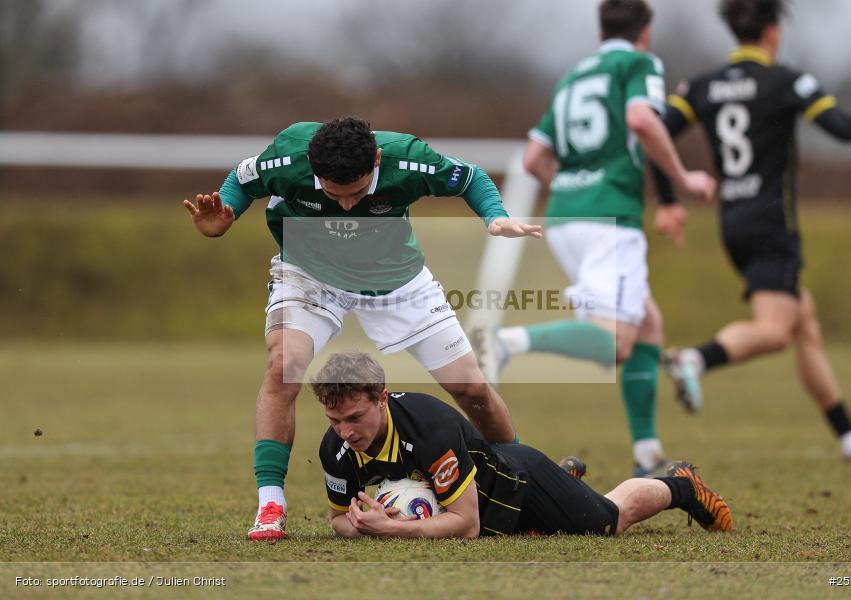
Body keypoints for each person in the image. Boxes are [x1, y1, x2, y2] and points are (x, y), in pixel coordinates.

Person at [182, 117, 542, 540]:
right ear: (313, 170)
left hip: (395, 279)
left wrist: (494, 218)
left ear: (376, 159)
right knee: (283, 365)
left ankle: (528, 484)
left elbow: (470, 178)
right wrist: (224, 214)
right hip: (308, 273)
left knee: (472, 388)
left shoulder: (410, 159)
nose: (348, 205)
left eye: (356, 193)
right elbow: (241, 183)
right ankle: (270, 505)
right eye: (336, 195)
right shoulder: (287, 156)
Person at [474, 0, 716, 477]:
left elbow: (532, 159)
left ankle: (648, 453)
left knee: (646, 322)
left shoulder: (572, 77)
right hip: (609, 218)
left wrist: (573, 185)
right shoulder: (639, 63)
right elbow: (644, 121)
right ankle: (503, 341)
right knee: (619, 340)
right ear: (645, 29)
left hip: (565, 218)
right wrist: (684, 179)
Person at [652, 0, 851, 461]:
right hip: (772, 225)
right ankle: (695, 359)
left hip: (733, 225)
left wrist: (669, 199)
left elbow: (654, 132)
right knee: (776, 329)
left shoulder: (704, 85)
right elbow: (842, 127)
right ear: (772, 32)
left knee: (804, 324)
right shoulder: (786, 81)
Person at [314, 351, 732, 538]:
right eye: (335, 421)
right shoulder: (334, 448)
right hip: (485, 497)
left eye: (355, 418)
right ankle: (567, 481)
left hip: (518, 487)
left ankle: (681, 484)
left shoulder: (429, 429)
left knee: (610, 520)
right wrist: (359, 526)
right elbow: (337, 519)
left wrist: (391, 530)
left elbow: (466, 525)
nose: (346, 432)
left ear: (382, 398)